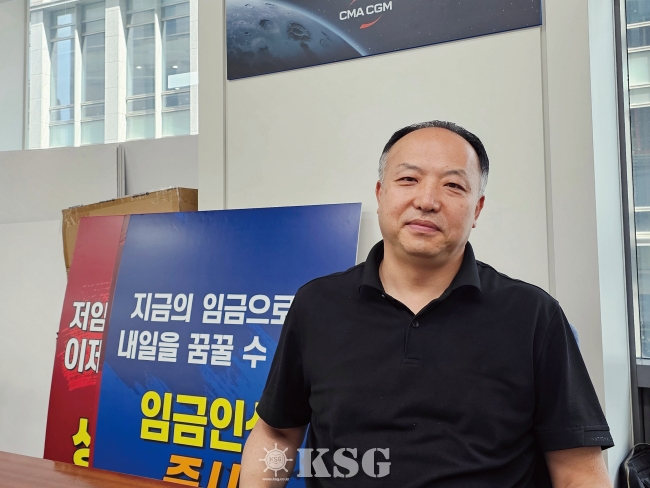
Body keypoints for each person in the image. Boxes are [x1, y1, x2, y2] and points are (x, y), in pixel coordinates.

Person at [240, 121, 614, 487]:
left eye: (453, 185)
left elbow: (578, 471)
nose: (426, 201)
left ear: (477, 209)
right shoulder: (317, 304)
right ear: (380, 193)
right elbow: (277, 433)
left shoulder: (533, 315)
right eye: (408, 179)